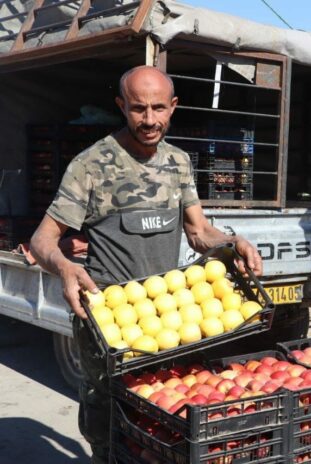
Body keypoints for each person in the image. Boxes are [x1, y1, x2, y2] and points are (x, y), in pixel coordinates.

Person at [30, 66, 263, 463]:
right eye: (138, 109)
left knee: (160, 416)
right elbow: (41, 240)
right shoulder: (91, 165)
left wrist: (231, 242)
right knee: (107, 419)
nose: (150, 120)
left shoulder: (178, 162)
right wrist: (65, 268)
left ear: (173, 107)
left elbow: (198, 232)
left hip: (166, 317)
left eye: (159, 108)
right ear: (121, 106)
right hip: (108, 323)